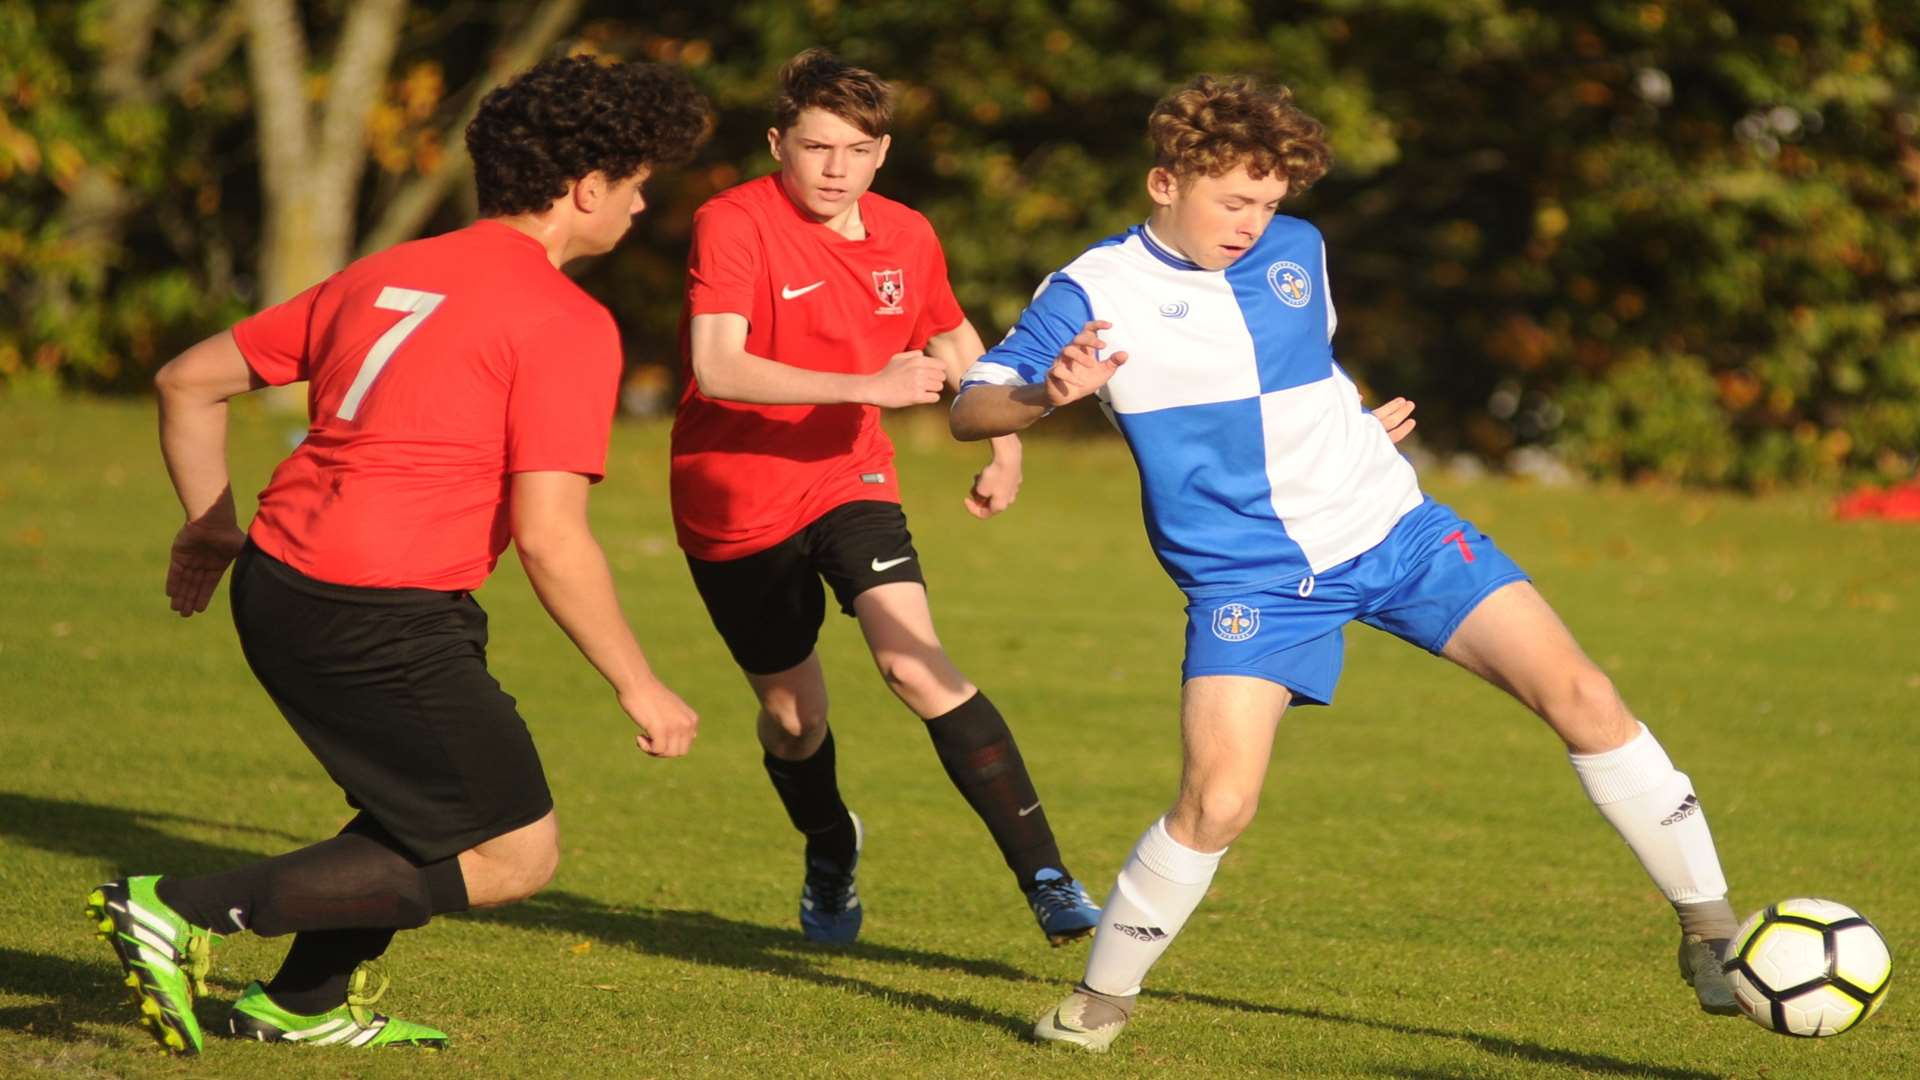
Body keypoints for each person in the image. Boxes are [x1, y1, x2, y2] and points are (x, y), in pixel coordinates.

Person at [949, 74, 1742, 1052]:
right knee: (1220, 801)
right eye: (1233, 201)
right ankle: (1099, 1004)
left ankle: (1710, 930)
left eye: (1269, 204)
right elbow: (967, 407)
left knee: (1582, 693)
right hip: (1251, 583)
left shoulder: (1300, 250)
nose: (1253, 224)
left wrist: (1350, 423)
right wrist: (1047, 397)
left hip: (1394, 530)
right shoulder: (1092, 291)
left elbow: (1301, 371)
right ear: (1164, 182)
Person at [86, 57, 709, 1055]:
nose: (641, 206)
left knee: (413, 808)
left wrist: (211, 522)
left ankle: (298, 1004)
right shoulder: (563, 323)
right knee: (511, 852)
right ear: (587, 188)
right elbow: (551, 537)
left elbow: (186, 380)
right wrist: (639, 684)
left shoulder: (388, 271)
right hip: (376, 608)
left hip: (288, 583)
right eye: (637, 184)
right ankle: (183, 907)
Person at [669, 48, 1100, 946]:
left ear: (883, 152)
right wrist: (866, 384)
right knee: (794, 721)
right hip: (732, 498)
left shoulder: (908, 234)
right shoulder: (732, 221)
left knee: (914, 664)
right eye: (818, 147)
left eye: (857, 150)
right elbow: (716, 365)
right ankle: (831, 848)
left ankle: (1050, 880)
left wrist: (1008, 439)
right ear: (778, 142)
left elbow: (951, 336)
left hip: (848, 480)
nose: (836, 170)